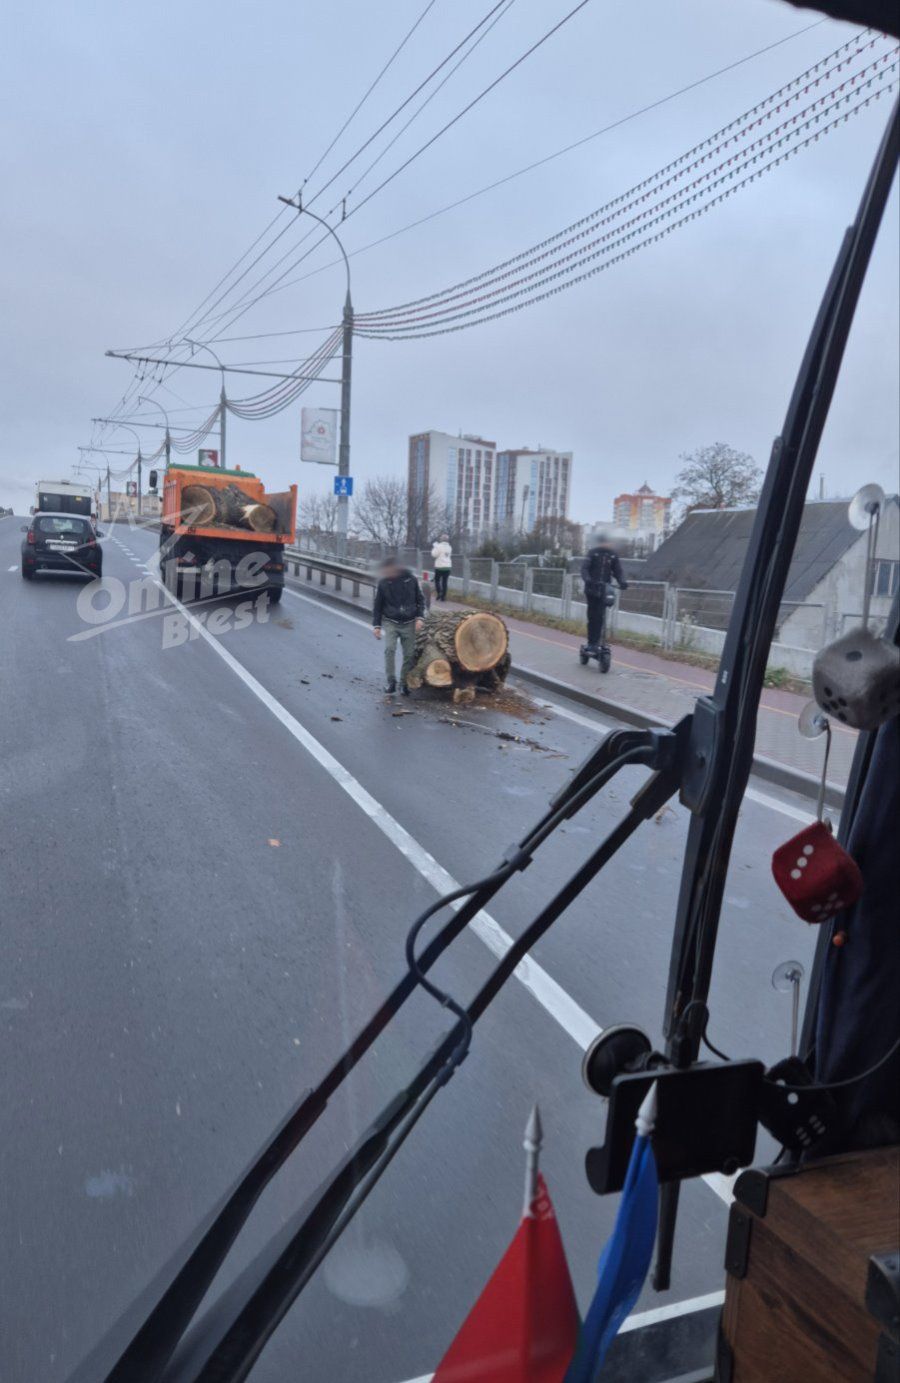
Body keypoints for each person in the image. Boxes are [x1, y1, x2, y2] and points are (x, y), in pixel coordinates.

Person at [373, 555, 425, 695]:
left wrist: (420, 617)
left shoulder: (411, 580)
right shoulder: (384, 583)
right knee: (390, 649)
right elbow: (378, 606)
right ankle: (391, 681)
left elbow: (420, 600)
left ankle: (404, 683)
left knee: (409, 654)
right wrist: (376, 626)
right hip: (391, 621)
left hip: (409, 622)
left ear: (396, 568)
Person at [580, 535, 628, 652]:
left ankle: (597, 642)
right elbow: (584, 569)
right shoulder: (593, 553)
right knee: (592, 616)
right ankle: (591, 642)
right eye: (605, 542)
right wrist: (588, 579)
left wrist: (622, 582)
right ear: (600, 542)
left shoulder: (612, 555)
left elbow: (618, 571)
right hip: (592, 589)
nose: (607, 545)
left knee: (600, 616)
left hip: (605, 590)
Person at [431, 533, 453, 602]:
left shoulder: (438, 546)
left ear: (441, 539)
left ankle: (439, 592)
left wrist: (435, 547)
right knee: (445, 582)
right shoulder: (449, 547)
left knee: (437, 580)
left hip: (439, 566)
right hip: (447, 567)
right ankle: (443, 597)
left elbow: (434, 555)